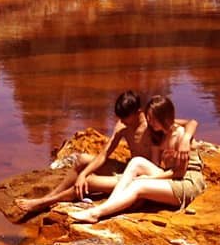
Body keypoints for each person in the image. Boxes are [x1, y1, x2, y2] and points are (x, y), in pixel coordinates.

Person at [14, 91, 197, 214]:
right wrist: (82, 173)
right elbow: (103, 155)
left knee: (90, 182)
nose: (122, 122)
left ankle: (44, 203)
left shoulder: (152, 122)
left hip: (144, 173)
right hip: (129, 168)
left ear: (139, 113)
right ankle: (50, 196)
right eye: (120, 119)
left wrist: (186, 140)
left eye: (126, 118)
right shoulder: (122, 126)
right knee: (81, 160)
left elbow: (189, 123)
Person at [69, 95, 206, 224]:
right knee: (136, 161)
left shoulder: (180, 135)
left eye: (152, 119)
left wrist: (148, 179)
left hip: (186, 183)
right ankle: (110, 204)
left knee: (138, 185)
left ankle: (96, 213)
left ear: (162, 117)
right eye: (148, 118)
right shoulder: (164, 133)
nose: (149, 123)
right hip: (173, 177)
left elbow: (179, 173)